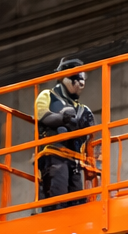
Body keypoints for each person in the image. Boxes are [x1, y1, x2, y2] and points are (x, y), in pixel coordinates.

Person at [35, 56, 94, 206]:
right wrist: (62, 118)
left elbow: (92, 139)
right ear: (64, 78)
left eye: (83, 79)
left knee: (77, 203)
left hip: (75, 161)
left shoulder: (82, 110)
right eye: (77, 78)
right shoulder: (48, 96)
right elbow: (43, 115)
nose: (81, 84)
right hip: (54, 157)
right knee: (57, 198)